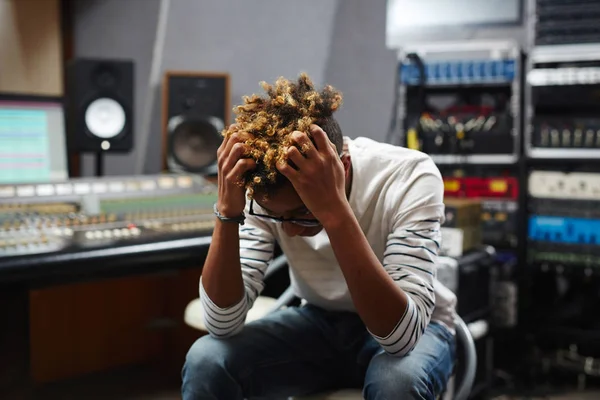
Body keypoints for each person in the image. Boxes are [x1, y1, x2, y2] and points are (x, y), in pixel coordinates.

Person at [182, 73, 457, 400]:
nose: (290, 231)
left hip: (415, 327)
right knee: (207, 359)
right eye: (276, 217)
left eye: (301, 215)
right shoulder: (270, 194)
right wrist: (227, 211)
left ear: (341, 168)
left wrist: (333, 210)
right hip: (319, 322)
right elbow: (221, 323)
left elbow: (399, 337)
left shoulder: (409, 175)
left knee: (397, 383)